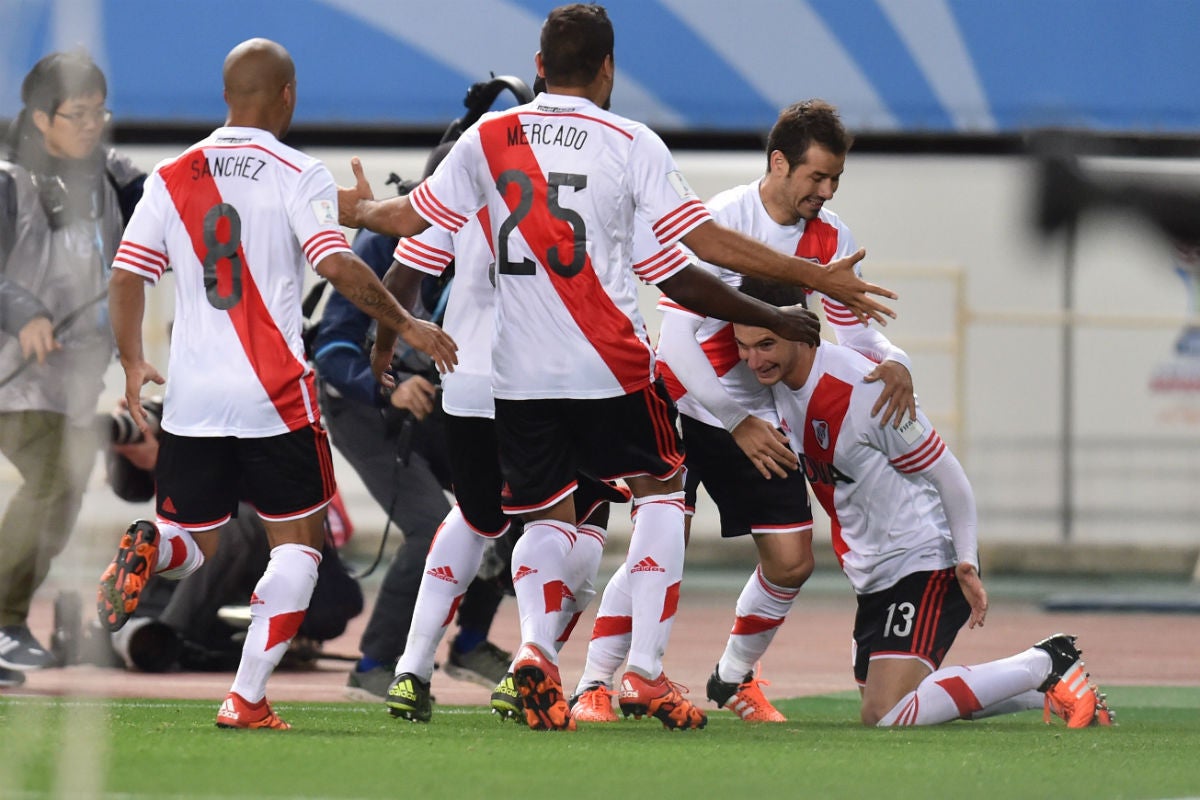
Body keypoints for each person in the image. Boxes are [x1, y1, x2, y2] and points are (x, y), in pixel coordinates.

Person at [94, 37, 457, 731]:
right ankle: (247, 695)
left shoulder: (172, 175)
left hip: (194, 397)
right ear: (287, 95)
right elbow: (337, 267)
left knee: (191, 542)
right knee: (300, 546)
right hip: (274, 396)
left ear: (226, 96)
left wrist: (134, 361)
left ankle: (149, 540)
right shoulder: (298, 172)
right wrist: (406, 325)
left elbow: (126, 275)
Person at [568, 99, 917, 724]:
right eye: (817, 176)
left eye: (836, 178)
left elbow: (856, 335)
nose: (827, 189)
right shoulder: (721, 222)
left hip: (762, 416)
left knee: (791, 561)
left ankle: (732, 678)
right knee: (660, 544)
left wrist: (895, 362)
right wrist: (735, 420)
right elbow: (675, 338)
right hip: (681, 404)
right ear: (779, 163)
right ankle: (595, 683)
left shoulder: (832, 236)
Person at [732, 276, 1114, 728]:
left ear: (801, 331)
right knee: (902, 703)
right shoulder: (775, 384)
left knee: (886, 713)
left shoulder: (864, 390)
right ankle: (1041, 691)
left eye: (766, 344)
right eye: (743, 345)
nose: (752, 359)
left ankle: (1046, 661)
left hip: (922, 559)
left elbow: (948, 474)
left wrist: (966, 560)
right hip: (872, 574)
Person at [374, 141, 628, 725]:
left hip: (467, 376)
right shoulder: (591, 166)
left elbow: (402, 271)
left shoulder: (464, 183)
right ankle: (532, 664)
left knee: (473, 514)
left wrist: (387, 343)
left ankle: (411, 671)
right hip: (554, 379)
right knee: (576, 519)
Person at [314, 221, 511, 701]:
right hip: (364, 405)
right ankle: (374, 664)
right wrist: (388, 386)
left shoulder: (498, 238)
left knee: (505, 505)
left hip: (441, 399)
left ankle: (469, 643)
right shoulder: (381, 245)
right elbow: (332, 347)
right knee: (431, 528)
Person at [0, 50, 145, 687]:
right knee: (56, 479)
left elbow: (182, 212)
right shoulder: (8, 182)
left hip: (72, 383)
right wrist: (24, 310)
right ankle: (3, 621)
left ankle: (5, 622)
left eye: (99, 112)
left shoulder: (115, 179)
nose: (92, 125)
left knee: (65, 485)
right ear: (40, 119)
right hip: (13, 375)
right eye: (77, 114)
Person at [90, 400, 363, 674]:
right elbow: (132, 492)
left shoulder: (267, 429)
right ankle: (134, 632)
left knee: (228, 523)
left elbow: (332, 528)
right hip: (209, 573)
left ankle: (167, 634)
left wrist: (166, 460)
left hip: (283, 563)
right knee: (157, 537)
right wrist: (127, 450)